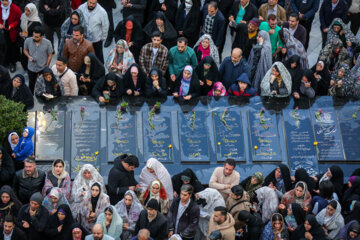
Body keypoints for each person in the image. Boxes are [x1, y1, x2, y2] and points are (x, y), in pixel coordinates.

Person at [24, 26, 53, 94]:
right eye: (33, 36)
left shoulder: (48, 43)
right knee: (31, 84)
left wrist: (47, 66)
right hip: (31, 67)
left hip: (42, 67)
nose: (34, 38)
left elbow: (50, 54)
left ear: (42, 37)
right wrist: (29, 56)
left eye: (36, 37)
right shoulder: (28, 40)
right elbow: (25, 50)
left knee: (43, 84)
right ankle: (31, 98)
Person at [0, 0, 21, 73]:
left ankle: (12, 63)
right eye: (2, 0)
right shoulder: (0, 6)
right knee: (2, 48)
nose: (3, 2)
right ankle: (4, 63)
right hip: (1, 30)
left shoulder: (15, 8)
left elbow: (17, 20)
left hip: (11, 31)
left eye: (5, 1)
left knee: (11, 48)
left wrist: (11, 25)